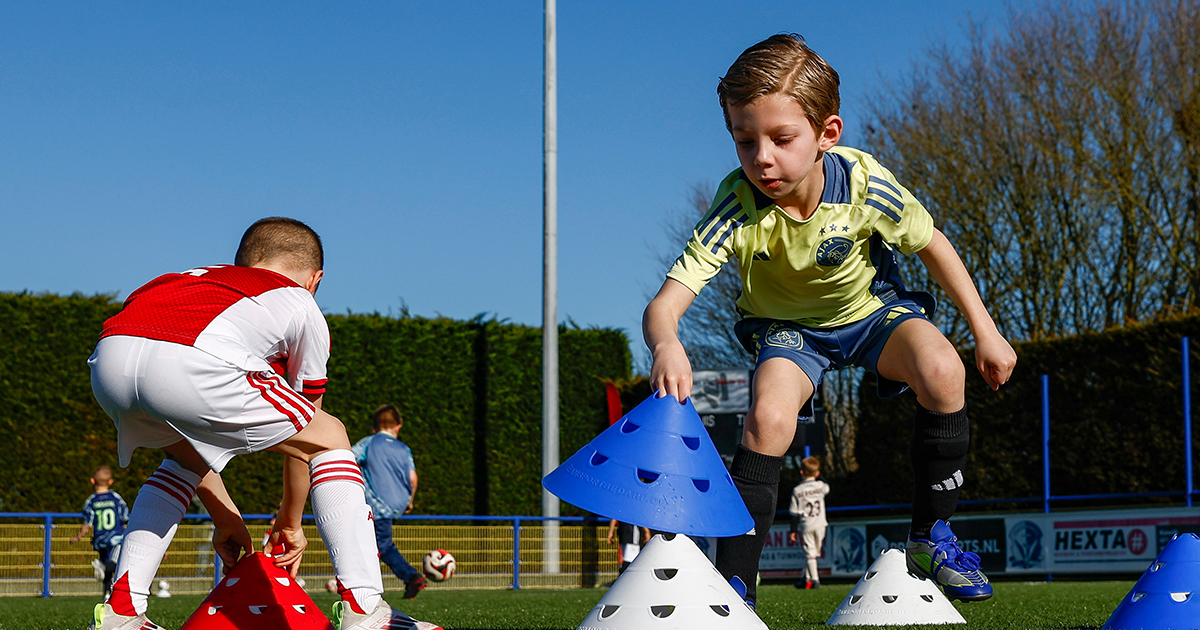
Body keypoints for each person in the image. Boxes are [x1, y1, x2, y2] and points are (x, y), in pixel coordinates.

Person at [643, 34, 1016, 607]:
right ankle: (735, 586)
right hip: (790, 333)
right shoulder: (737, 205)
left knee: (944, 370)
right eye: (744, 141)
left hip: (872, 312)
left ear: (827, 135)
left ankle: (930, 536)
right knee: (767, 418)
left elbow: (933, 243)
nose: (761, 157)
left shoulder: (863, 182)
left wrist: (985, 331)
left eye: (781, 138)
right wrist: (666, 343)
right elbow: (664, 304)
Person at [87, 217, 439, 630]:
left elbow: (187, 439)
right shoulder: (298, 299)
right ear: (315, 279)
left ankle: (121, 614)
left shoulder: (190, 279)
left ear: (243, 263)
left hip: (110, 356)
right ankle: (364, 609)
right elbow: (311, 431)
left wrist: (226, 518)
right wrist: (290, 521)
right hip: (193, 360)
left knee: (182, 462)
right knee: (332, 435)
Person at [353, 404, 427, 599]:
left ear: (374, 428)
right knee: (375, 544)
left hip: (376, 505)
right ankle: (405, 581)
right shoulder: (404, 448)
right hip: (397, 505)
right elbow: (412, 478)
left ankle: (411, 577)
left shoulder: (368, 443)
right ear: (398, 427)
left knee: (381, 546)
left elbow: (347, 458)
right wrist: (409, 501)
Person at [69, 466, 130, 597]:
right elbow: (126, 517)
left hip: (100, 539)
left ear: (92, 481)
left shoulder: (91, 501)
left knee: (106, 565)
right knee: (115, 564)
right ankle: (107, 584)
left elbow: (87, 523)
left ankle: (107, 594)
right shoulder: (115, 498)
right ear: (111, 482)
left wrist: (78, 536)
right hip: (116, 538)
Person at [788, 457, 829, 590]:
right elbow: (826, 485)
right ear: (817, 473)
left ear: (802, 472)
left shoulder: (797, 490)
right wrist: (818, 474)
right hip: (821, 523)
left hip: (807, 524)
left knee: (810, 554)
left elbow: (794, 513)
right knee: (813, 553)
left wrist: (793, 530)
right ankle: (806, 578)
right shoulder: (821, 486)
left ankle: (815, 580)